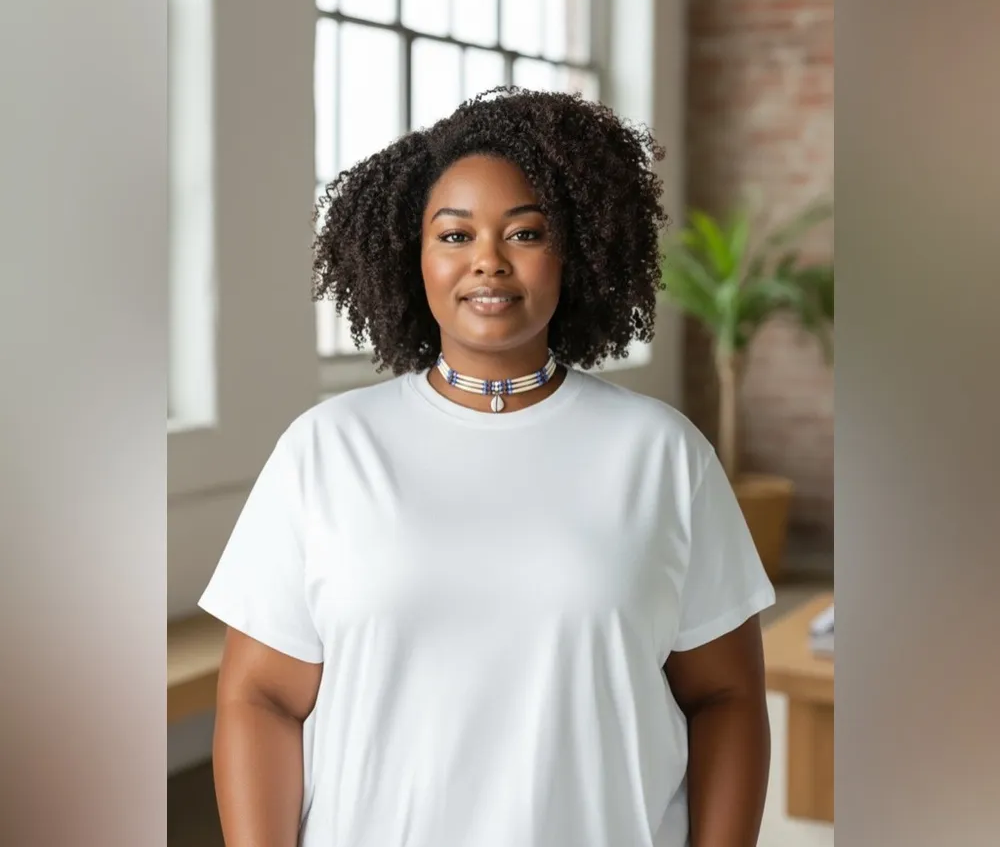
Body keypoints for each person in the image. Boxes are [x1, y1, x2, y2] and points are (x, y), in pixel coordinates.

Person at [199, 87, 776, 847]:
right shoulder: (327, 450)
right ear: (414, 257)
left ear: (576, 250)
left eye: (525, 233)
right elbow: (261, 698)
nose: (488, 262)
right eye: (455, 234)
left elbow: (726, 697)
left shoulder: (663, 454)